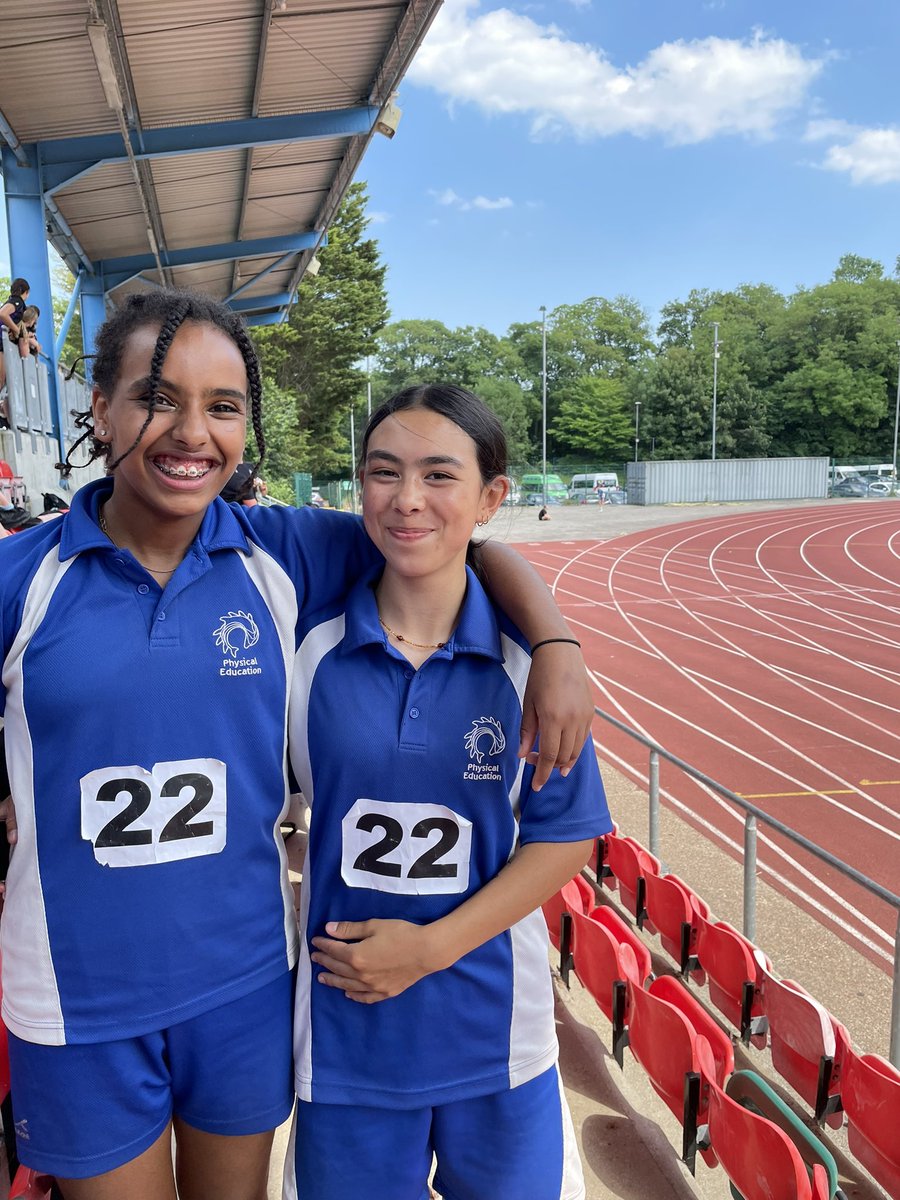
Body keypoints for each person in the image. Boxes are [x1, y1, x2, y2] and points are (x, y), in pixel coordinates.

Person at [0, 289, 594, 1200]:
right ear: (100, 410)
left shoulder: (284, 552)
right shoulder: (20, 581)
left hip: (244, 986)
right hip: (78, 998)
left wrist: (554, 645)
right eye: (158, 397)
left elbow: (452, 536)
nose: (190, 431)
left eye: (224, 406)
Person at [283, 384, 613, 1200]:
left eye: (439, 476)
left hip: (496, 1037)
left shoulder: (533, 672)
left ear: (491, 497)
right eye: (383, 472)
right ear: (358, 485)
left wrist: (432, 948)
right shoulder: (306, 656)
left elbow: (565, 834)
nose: (407, 500)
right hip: (345, 1036)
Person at [0, 278, 31, 426]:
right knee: (1, 378)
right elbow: (3, 314)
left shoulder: (14, 301)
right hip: (0, 342)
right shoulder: (17, 302)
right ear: (26, 292)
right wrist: (15, 328)